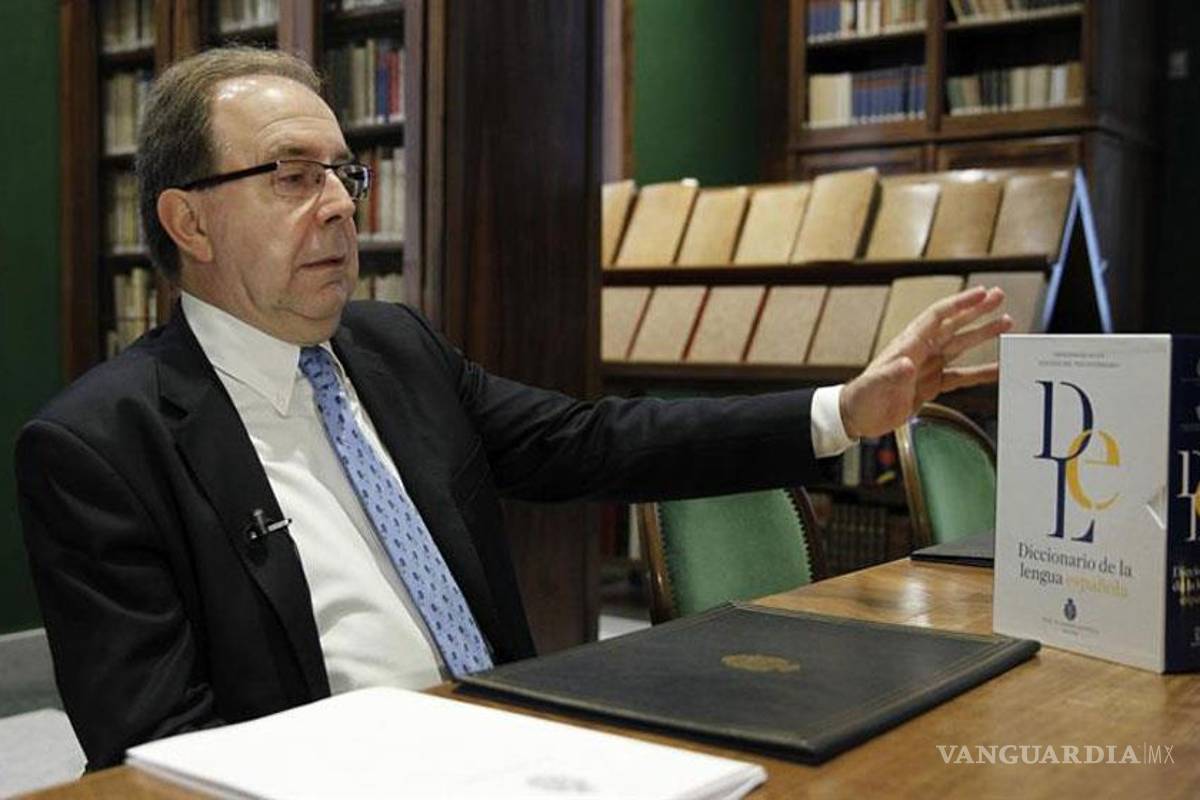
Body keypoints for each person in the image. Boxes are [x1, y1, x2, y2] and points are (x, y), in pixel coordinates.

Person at [14, 48, 1011, 769]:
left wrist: (845, 409)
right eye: (293, 177)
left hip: (523, 747)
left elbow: (594, 440)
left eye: (345, 174)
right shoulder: (100, 448)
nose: (344, 204)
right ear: (187, 220)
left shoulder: (394, 347)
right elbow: (158, 748)